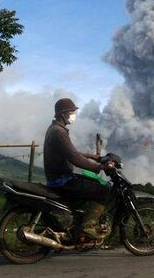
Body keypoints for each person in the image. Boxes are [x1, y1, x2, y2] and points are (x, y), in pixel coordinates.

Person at [43, 97, 112, 240]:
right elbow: (74, 158)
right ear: (63, 114)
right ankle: (87, 227)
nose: (73, 115)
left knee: (90, 186)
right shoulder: (59, 132)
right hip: (62, 181)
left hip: (60, 178)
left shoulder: (55, 129)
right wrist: (99, 167)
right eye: (71, 112)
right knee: (103, 190)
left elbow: (71, 152)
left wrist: (93, 156)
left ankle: (77, 224)